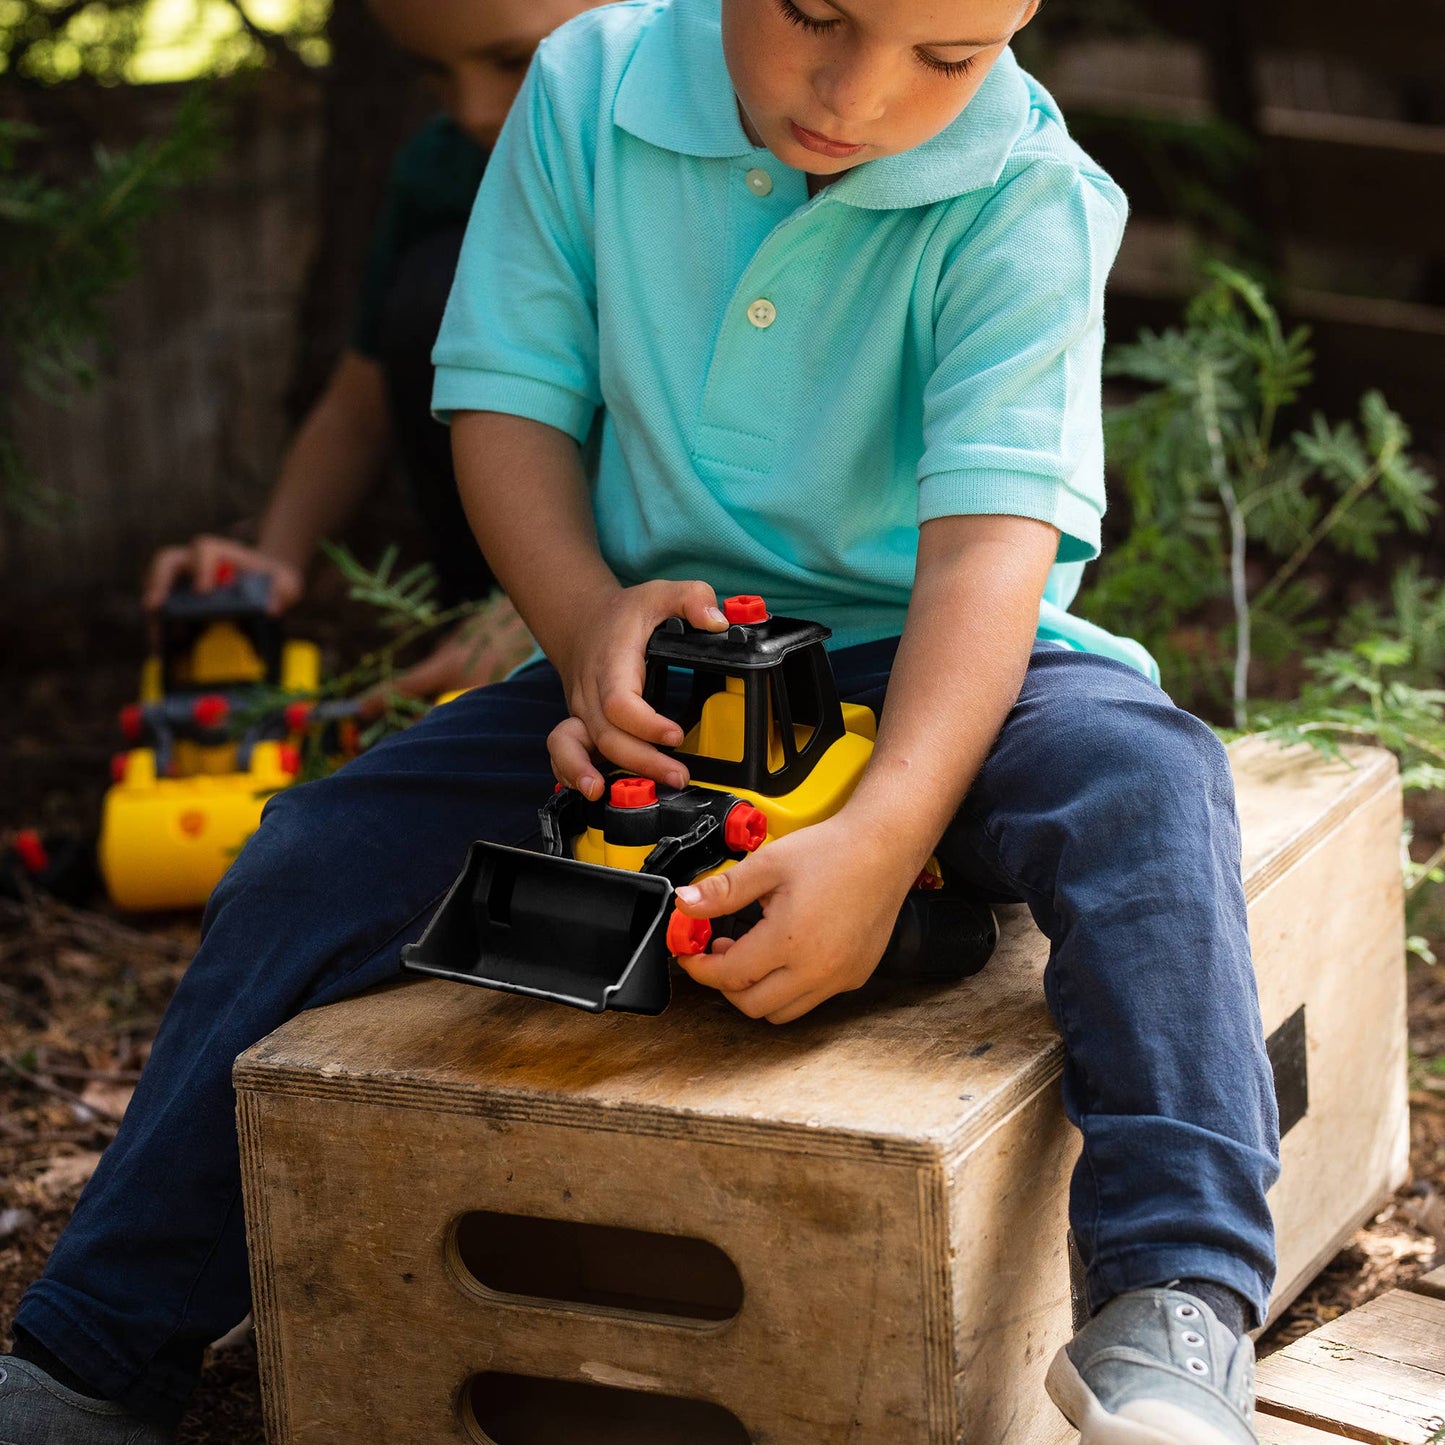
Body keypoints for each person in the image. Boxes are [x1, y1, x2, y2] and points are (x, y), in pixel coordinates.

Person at [0, 0, 1281, 1442]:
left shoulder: (1027, 198)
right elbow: (505, 405)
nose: (855, 94)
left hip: (941, 665)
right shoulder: (587, 88)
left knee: (1148, 781)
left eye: (947, 57)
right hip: (662, 661)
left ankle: (1176, 1301)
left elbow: (989, 556)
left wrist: (881, 834)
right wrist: (582, 619)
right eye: (816, 14)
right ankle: (101, 1348)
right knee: (316, 849)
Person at [139, 0, 597, 708]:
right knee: (432, 295)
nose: (472, 110)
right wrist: (270, 562)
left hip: (660, 571)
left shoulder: (697, 169)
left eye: (513, 61)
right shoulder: (442, 169)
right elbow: (360, 403)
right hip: (512, 579)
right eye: (435, 76)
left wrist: (566, 606)